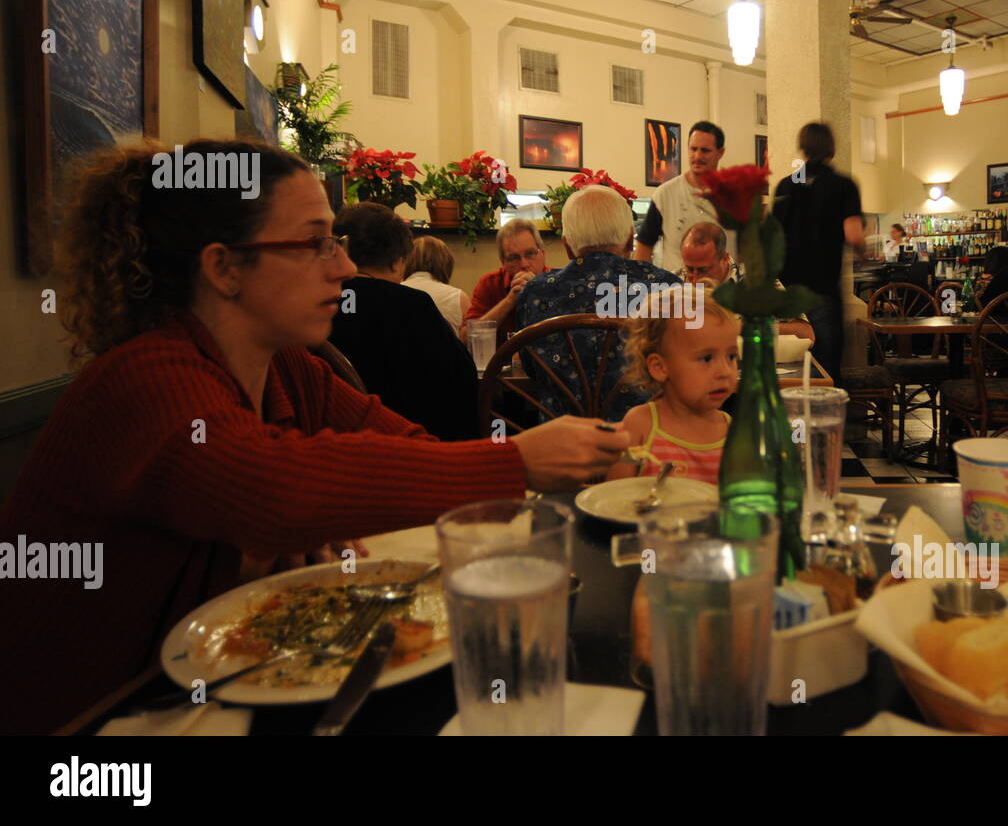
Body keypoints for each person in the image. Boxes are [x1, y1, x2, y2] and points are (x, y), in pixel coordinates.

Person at [0, 140, 630, 735]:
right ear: (223, 267)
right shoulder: (144, 378)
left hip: (200, 699)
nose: (346, 266)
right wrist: (514, 460)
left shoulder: (285, 366)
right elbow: (272, 489)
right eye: (315, 244)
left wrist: (506, 470)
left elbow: (401, 444)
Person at [517, 185, 682, 420]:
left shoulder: (536, 293)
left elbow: (533, 369)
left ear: (567, 246)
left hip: (560, 443)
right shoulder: (668, 288)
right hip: (649, 442)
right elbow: (687, 370)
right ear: (629, 241)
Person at [329, 203, 478, 441]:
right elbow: (461, 379)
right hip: (410, 448)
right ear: (397, 261)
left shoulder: (319, 304)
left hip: (330, 447)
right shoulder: (412, 305)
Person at [606, 287, 740, 484]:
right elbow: (614, 496)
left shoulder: (734, 433)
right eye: (706, 358)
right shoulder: (640, 428)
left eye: (731, 356)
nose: (725, 372)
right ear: (660, 367)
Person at [772, 121, 866, 384]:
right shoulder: (843, 185)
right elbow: (853, 234)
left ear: (802, 147)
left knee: (789, 367)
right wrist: (863, 250)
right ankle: (824, 422)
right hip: (823, 290)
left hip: (787, 293)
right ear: (831, 149)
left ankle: (790, 422)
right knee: (825, 371)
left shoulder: (785, 186)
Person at [677, 221, 814, 342]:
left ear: (725, 259)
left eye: (703, 270)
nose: (694, 279)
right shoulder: (674, 283)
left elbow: (806, 333)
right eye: (689, 269)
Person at [632, 121, 736, 267]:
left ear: (720, 153)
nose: (697, 156)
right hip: (677, 287)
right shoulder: (664, 194)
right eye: (693, 149)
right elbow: (645, 245)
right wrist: (642, 283)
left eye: (705, 150)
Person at [464, 218, 550, 347]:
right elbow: (465, 339)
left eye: (530, 253)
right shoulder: (490, 283)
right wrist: (510, 300)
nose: (524, 264)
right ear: (503, 262)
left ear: (542, 254)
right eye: (514, 258)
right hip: (502, 365)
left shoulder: (557, 281)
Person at [403, 235, 470, 335]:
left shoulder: (392, 292)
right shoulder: (459, 297)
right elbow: (469, 340)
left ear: (407, 261)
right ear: (446, 263)